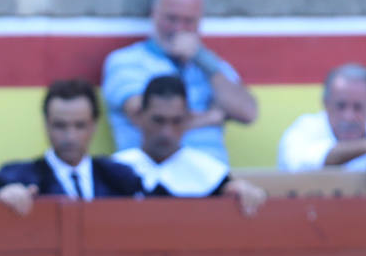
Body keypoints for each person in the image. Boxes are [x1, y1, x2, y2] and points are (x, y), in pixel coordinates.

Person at [101, 0, 257, 165]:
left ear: (200, 21)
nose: (178, 29)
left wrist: (202, 59)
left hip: (213, 178)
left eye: (188, 21)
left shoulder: (211, 65)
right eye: (171, 18)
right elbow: (147, 120)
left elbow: (248, 112)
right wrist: (215, 116)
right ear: (154, 14)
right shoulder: (126, 61)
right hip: (152, 177)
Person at [0, 78, 145, 215]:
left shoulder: (120, 177)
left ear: (94, 125)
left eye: (80, 125)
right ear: (46, 125)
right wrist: (7, 195)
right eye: (60, 126)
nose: (70, 136)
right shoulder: (18, 177)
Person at [112, 75, 265, 215]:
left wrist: (243, 193)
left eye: (176, 121)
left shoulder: (211, 174)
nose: (167, 132)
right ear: (139, 117)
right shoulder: (110, 171)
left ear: (188, 118)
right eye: (158, 120)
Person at [276, 62, 366, 193]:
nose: (349, 116)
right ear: (325, 104)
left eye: (358, 107)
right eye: (341, 106)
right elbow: (301, 162)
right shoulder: (304, 129)